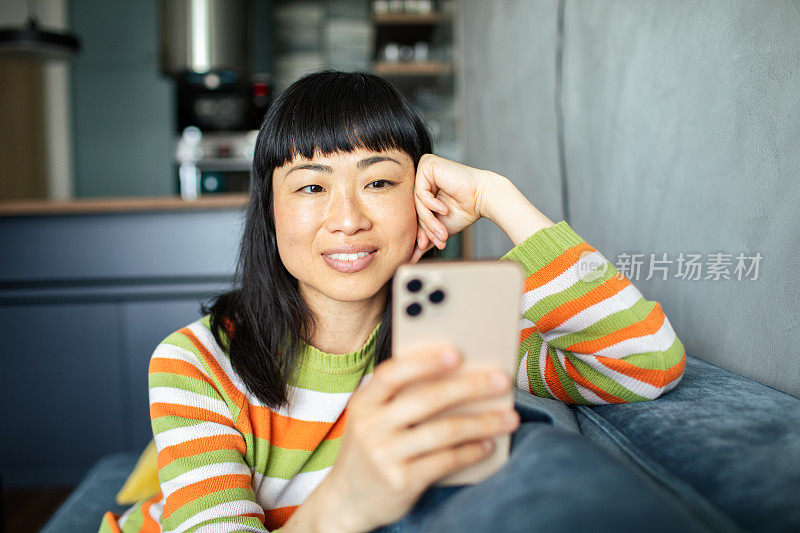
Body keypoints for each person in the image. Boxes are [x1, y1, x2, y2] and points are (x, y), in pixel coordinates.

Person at [99, 69, 688, 533]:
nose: (348, 220)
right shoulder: (195, 361)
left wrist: (497, 197)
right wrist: (348, 501)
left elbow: (645, 364)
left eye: (379, 182)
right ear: (271, 214)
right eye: (310, 186)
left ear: (422, 197)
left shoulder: (451, 336)